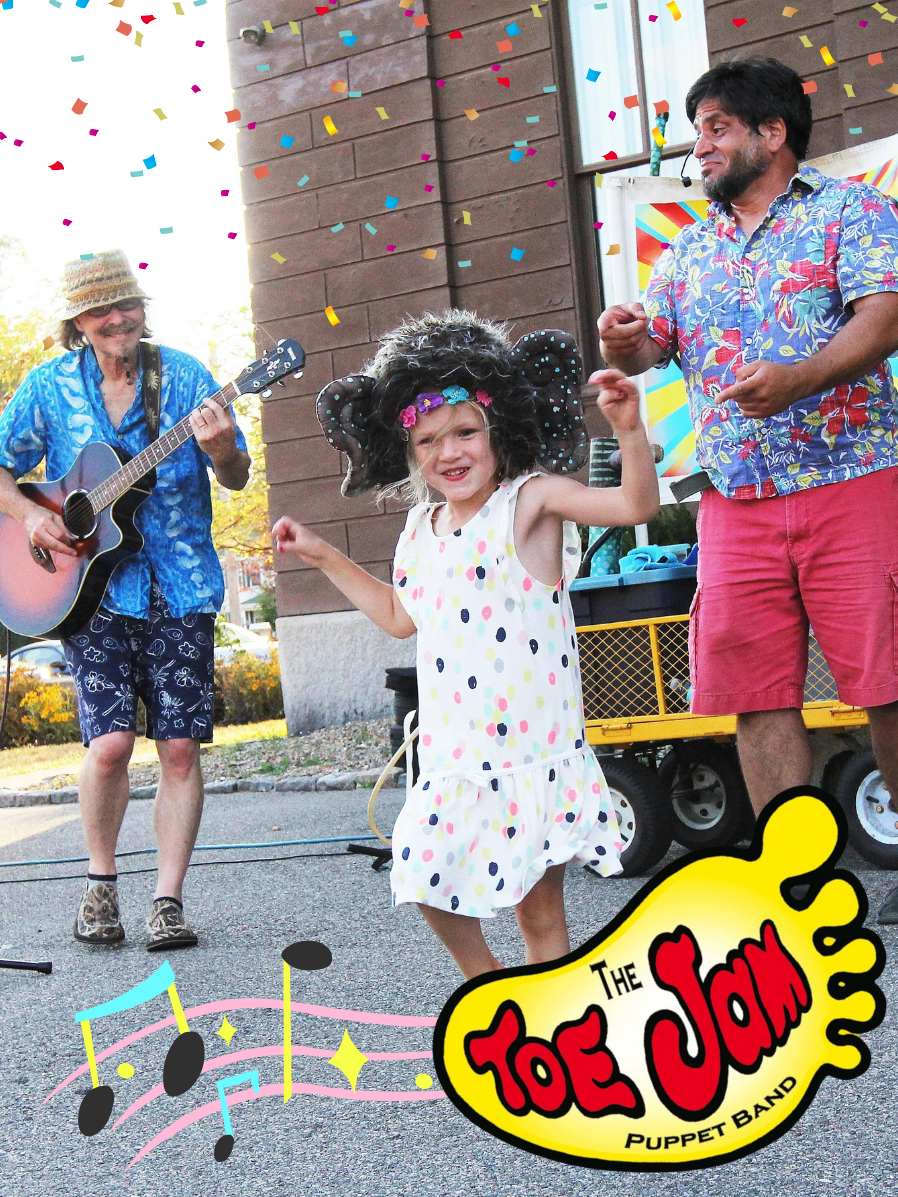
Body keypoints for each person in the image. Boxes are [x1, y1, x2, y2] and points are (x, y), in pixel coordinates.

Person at [596, 58, 898, 924]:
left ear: (773, 135)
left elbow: (886, 316)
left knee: (887, 682)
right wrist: (624, 342)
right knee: (758, 693)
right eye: (699, 130)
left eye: (718, 126)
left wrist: (800, 376)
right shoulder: (687, 247)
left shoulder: (854, 211)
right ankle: (798, 880)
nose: (702, 146)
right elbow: (648, 347)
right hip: (734, 502)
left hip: (854, 480)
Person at [272, 311, 659, 979]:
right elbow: (398, 616)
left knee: (541, 921)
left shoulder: (530, 501)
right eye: (428, 441)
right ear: (409, 450)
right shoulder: (420, 528)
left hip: (527, 757)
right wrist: (323, 555)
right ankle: (490, 992)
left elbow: (634, 507)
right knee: (422, 872)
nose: (449, 452)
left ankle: (553, 1037)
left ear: (496, 428)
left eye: (464, 432)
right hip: (455, 756)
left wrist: (628, 429)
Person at [0, 250, 250, 949]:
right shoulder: (47, 387)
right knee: (109, 744)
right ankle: (100, 885)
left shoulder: (187, 378)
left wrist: (225, 449)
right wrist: (29, 517)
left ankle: (167, 899)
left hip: (181, 583)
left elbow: (233, 477)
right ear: (78, 321)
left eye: (128, 304)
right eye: (103, 308)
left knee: (177, 747)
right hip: (91, 589)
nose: (120, 318)